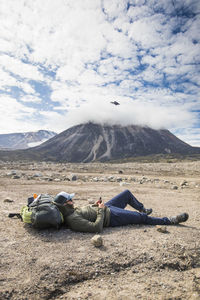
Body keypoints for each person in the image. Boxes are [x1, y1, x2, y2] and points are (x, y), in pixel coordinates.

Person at [53, 190, 189, 233]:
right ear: (66, 204)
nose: (73, 200)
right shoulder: (72, 220)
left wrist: (96, 205)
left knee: (126, 194)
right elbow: (96, 228)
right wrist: (100, 211)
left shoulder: (71, 209)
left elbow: (86, 212)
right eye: (70, 199)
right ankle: (170, 220)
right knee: (141, 218)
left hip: (106, 208)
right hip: (111, 216)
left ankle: (142, 209)